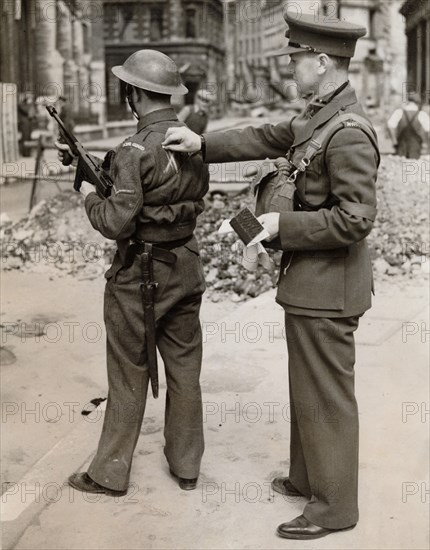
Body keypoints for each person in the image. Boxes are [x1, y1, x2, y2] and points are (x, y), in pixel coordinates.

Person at [163, 9, 379, 540]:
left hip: (330, 288)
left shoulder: (348, 131)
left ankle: (333, 508)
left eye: (297, 60)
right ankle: (309, 479)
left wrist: (285, 222)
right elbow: (265, 135)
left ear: (323, 62)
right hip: (311, 283)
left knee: (327, 394)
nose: (291, 70)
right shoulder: (319, 117)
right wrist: (202, 144)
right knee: (307, 386)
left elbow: (356, 219)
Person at [57, 49, 209, 495]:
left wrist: (87, 192)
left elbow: (114, 222)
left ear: (135, 94)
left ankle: (108, 473)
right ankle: (186, 466)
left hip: (140, 275)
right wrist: (94, 165)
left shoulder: (132, 150)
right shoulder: (195, 141)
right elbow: (165, 189)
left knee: (127, 369)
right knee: (184, 368)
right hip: (185, 265)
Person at [387, 91, 430, 158]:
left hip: (401, 148)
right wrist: (426, 144)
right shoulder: (422, 114)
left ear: (407, 100)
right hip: (415, 149)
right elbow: (428, 130)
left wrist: (394, 141)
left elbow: (390, 126)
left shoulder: (399, 112)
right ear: (418, 102)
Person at [17, 92, 35, 157]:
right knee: (25, 138)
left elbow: (33, 113)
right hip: (24, 124)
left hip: (28, 124)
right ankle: (25, 154)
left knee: (28, 137)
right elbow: (27, 111)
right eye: (29, 97)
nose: (30, 98)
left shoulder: (28, 104)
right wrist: (30, 104)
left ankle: (28, 153)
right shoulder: (21, 104)